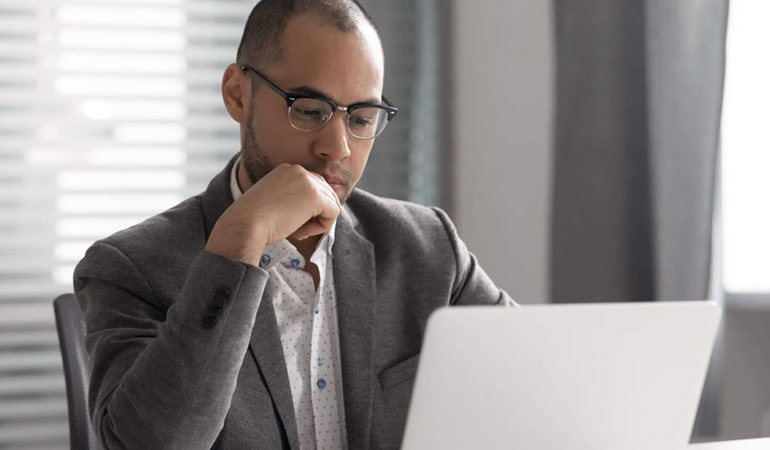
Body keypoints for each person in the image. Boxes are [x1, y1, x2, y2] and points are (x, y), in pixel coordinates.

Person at [73, 0, 513, 449]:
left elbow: (535, 384)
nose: (338, 148)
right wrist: (236, 247)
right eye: (309, 110)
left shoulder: (429, 249)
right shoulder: (131, 268)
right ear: (237, 95)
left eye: (361, 118)